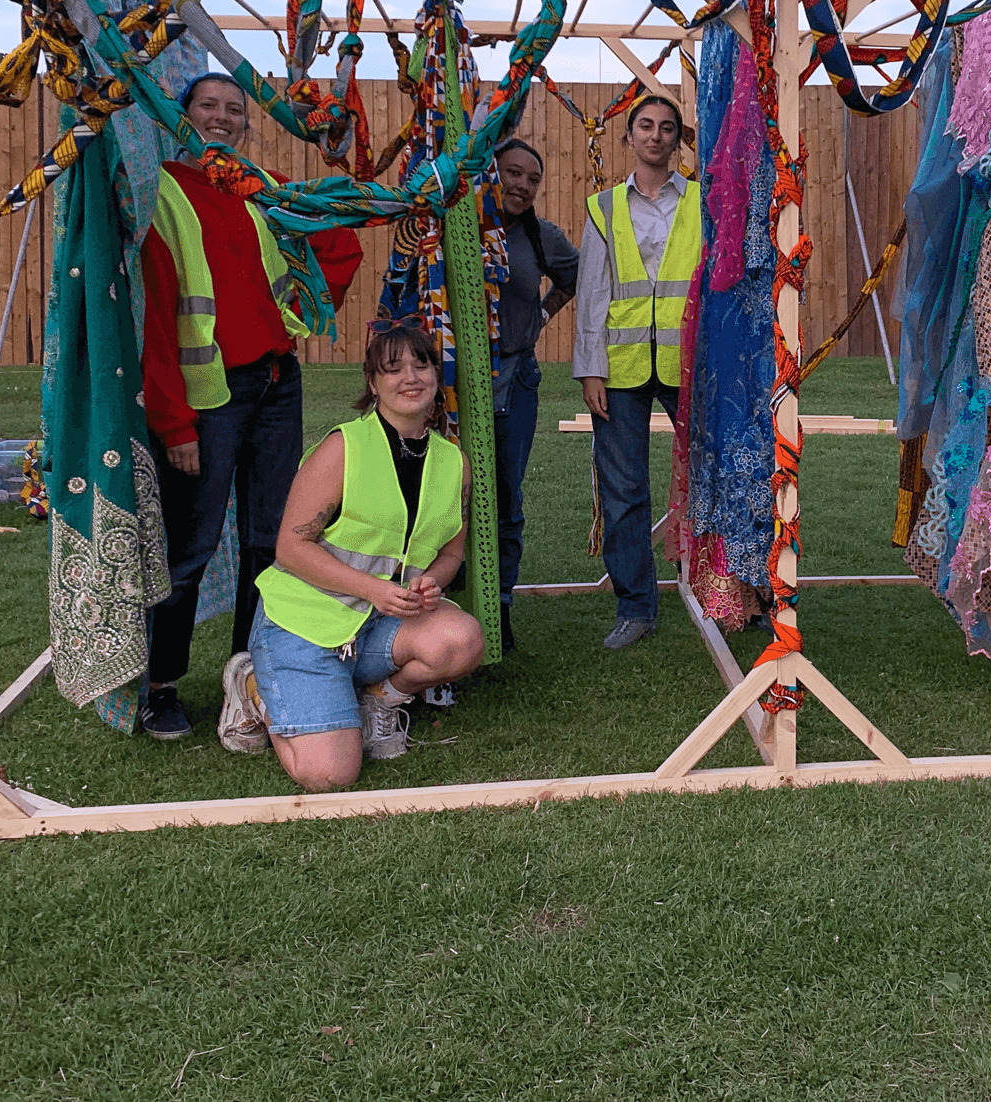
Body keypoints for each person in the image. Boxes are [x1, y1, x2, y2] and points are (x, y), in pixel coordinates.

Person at [137, 73, 363, 741]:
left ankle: (254, 675)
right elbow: (155, 321)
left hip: (275, 385)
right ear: (183, 117)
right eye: (208, 106)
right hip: (210, 399)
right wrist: (175, 422)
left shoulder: (258, 189)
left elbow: (337, 242)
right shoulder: (165, 195)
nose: (222, 117)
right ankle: (161, 685)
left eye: (234, 109)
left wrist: (302, 304)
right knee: (194, 544)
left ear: (246, 124)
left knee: (274, 539)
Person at [219, 321, 486, 791]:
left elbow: (451, 553)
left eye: (421, 364)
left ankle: (379, 701)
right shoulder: (343, 447)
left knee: (461, 639)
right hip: (305, 625)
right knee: (329, 775)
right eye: (393, 368)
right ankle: (253, 688)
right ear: (373, 383)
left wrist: (434, 583)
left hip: (374, 625)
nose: (410, 377)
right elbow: (290, 548)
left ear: (435, 378)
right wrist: (374, 589)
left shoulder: (453, 463)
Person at [573, 95, 702, 649]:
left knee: (713, 477)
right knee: (624, 490)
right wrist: (590, 369)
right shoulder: (603, 207)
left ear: (677, 140)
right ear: (629, 136)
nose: (655, 135)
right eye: (645, 126)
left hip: (689, 363)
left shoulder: (703, 201)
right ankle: (636, 607)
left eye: (666, 128)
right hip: (620, 368)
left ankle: (729, 590)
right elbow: (591, 293)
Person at [490, 137, 579, 651]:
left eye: (532, 178)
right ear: (491, 173)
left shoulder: (541, 237)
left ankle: (500, 607)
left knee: (506, 493)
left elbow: (575, 275)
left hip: (515, 380)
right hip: (451, 383)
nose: (521, 184)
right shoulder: (461, 229)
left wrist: (542, 314)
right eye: (512, 173)